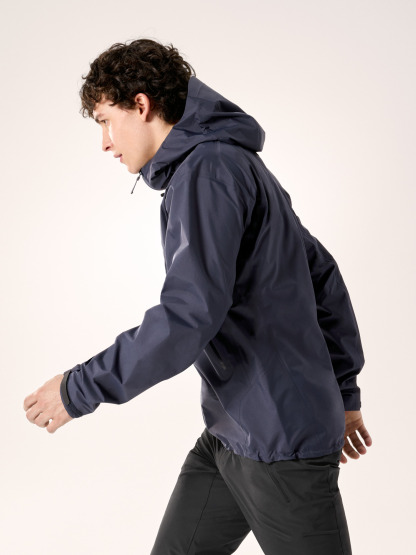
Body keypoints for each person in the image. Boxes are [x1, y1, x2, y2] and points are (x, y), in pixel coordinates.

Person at [23, 38, 372, 555]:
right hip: (232, 433)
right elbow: (321, 273)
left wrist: (78, 389)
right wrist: (343, 393)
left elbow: (188, 317)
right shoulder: (220, 164)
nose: (105, 143)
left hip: (280, 443)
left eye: (105, 120)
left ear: (141, 105)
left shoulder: (209, 173)